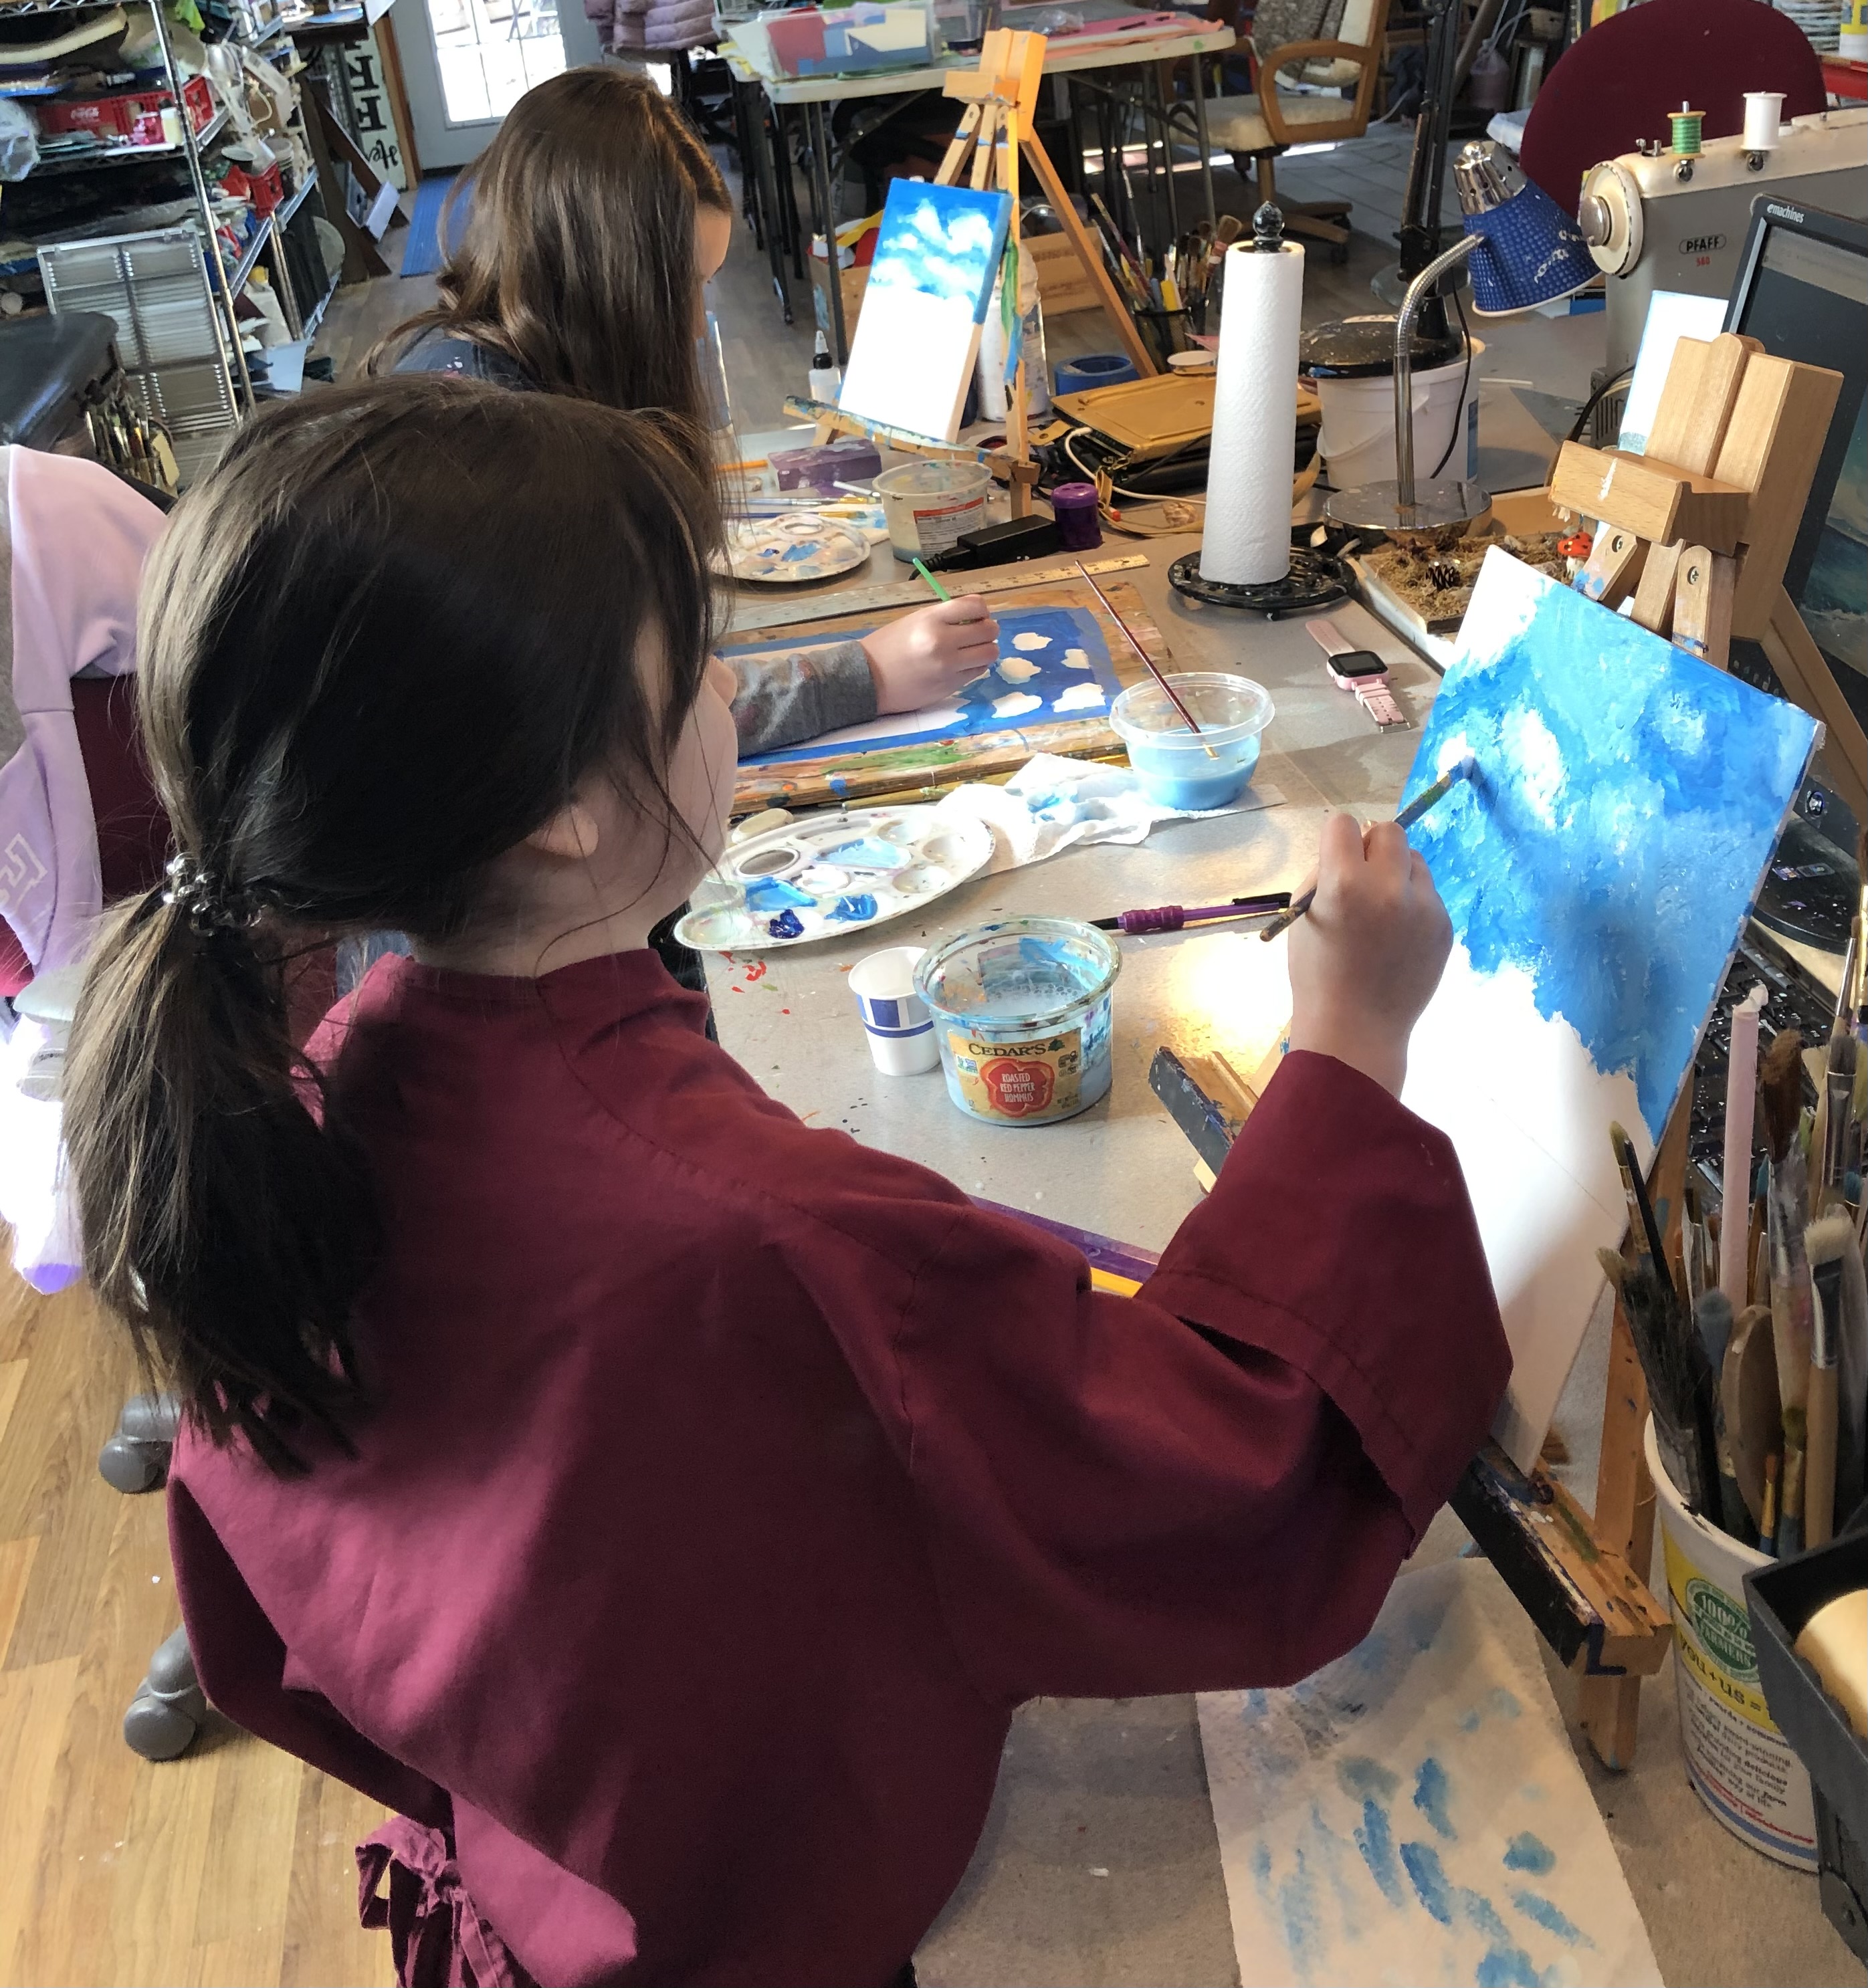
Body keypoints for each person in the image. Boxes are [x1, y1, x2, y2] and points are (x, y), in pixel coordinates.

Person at [64, 380, 1510, 1988]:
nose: (730, 699)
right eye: (698, 663)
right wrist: (1350, 1037)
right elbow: (1231, 1473)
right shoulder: (764, 1242)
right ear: (563, 814)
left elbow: (282, 1620)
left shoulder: (297, 1103)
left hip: (543, 1902)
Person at [374, 65, 997, 759]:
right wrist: (868, 676)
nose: (697, 324)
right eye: (683, 290)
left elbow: (661, 679)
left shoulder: (486, 365)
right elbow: (631, 729)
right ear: (598, 279)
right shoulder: (501, 449)